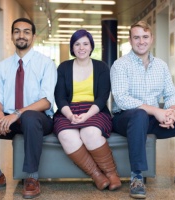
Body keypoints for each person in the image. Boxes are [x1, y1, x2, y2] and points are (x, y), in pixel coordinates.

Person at [110, 21, 175, 199]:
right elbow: (122, 99)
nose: (141, 41)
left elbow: (172, 93)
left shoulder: (161, 66)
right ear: (130, 40)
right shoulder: (120, 65)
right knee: (140, 114)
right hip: (125, 120)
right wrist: (156, 111)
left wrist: (172, 111)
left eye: (145, 37)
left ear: (152, 39)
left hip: (153, 119)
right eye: (136, 37)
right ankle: (137, 176)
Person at [0, 18, 57, 199]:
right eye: (17, 31)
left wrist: (17, 114)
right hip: (8, 120)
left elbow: (46, 101)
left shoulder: (46, 63)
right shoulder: (4, 66)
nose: (21, 35)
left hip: (38, 121)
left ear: (33, 36)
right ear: (12, 35)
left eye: (26, 31)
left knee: (30, 117)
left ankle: (31, 177)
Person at [53, 29, 121, 191]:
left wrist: (87, 115)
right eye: (77, 44)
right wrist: (70, 115)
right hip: (67, 111)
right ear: (72, 47)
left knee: (89, 133)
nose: (81, 47)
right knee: (66, 135)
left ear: (91, 47)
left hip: (95, 110)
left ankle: (111, 174)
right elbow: (60, 97)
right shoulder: (63, 67)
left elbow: (102, 97)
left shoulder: (102, 67)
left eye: (85, 44)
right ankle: (97, 175)